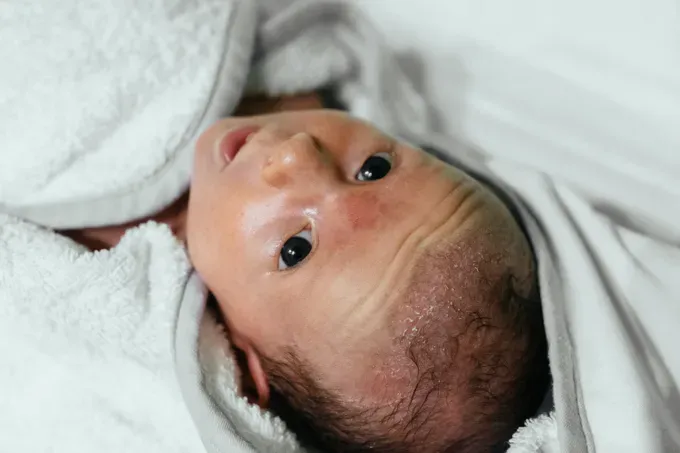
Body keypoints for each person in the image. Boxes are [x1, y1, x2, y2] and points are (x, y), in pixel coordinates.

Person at [64, 92, 551, 452]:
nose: (297, 152)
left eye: (296, 249)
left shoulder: (97, 258)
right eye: (373, 168)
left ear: (237, 359)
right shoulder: (288, 86)